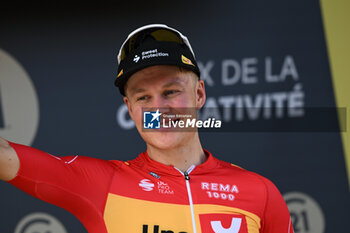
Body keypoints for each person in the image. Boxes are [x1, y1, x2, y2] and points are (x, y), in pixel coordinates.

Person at [0, 24, 294, 233]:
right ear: (130, 108)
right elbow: (7, 157)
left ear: (199, 95)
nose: (159, 109)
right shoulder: (101, 184)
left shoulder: (259, 191)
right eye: (143, 97)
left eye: (170, 92)